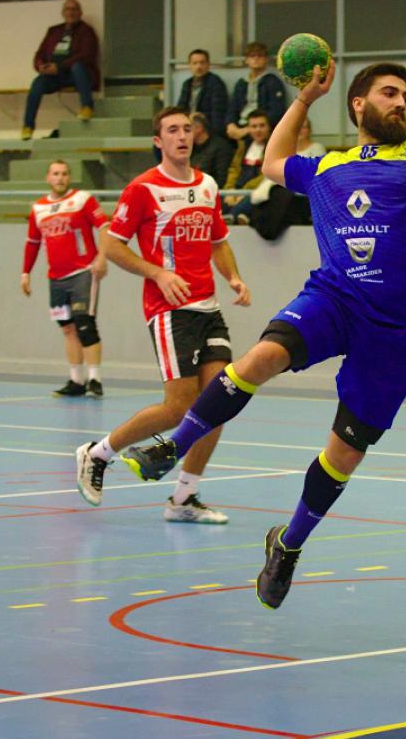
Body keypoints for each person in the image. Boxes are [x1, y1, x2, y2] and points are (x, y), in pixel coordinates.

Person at [119, 60, 406, 611]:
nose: (400, 102)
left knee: (345, 452)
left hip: (393, 327)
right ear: (358, 105)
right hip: (334, 297)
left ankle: (289, 544)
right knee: (261, 357)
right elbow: (273, 161)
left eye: (405, 95)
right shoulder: (327, 166)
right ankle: (170, 448)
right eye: (389, 93)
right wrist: (303, 100)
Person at [73, 106, 252, 524]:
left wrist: (234, 279)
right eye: (172, 130)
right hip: (169, 310)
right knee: (178, 408)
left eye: (187, 128)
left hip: (208, 306)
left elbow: (218, 241)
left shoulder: (207, 185)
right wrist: (157, 272)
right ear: (158, 141)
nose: (181, 135)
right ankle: (97, 453)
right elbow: (113, 245)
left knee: (218, 403)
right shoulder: (142, 189)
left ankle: (183, 499)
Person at [21, 160, 109, 398]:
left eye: (64, 174)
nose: (60, 178)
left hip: (83, 272)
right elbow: (33, 243)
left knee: (84, 323)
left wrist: (102, 257)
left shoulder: (82, 200)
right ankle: (76, 380)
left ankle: (94, 378)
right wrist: (26, 272)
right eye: (56, 174)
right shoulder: (38, 209)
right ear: (48, 178)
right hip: (56, 277)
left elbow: (104, 226)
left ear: (70, 177)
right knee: (68, 328)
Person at [23, 0, 100, 140]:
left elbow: (86, 55)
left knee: (77, 67)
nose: (70, 12)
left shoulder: (87, 31)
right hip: (54, 76)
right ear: (63, 13)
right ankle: (28, 126)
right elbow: (40, 54)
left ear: (80, 13)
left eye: (74, 9)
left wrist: (60, 67)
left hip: (76, 74)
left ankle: (87, 107)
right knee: (37, 83)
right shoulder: (53, 31)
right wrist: (40, 66)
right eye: (67, 9)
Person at [225, 41, 286, 142]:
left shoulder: (272, 82)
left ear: (266, 59)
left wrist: (250, 129)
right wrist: (230, 124)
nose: (256, 59)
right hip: (241, 124)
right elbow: (232, 108)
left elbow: (276, 112)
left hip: (261, 128)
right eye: (252, 56)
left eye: (260, 56)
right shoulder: (241, 83)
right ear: (246, 60)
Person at [223, 109, 273, 225]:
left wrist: (243, 193)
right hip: (236, 191)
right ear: (248, 129)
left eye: (262, 126)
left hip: (256, 191)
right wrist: (230, 190)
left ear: (268, 127)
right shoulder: (243, 145)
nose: (258, 130)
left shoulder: (273, 147)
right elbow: (234, 169)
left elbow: (267, 174)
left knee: (239, 209)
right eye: (254, 126)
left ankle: (232, 218)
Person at [176, 49, 229, 144]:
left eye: (202, 63)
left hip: (205, 127)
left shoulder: (216, 83)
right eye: (195, 63)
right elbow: (180, 108)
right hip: (188, 124)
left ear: (208, 65)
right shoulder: (187, 84)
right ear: (190, 65)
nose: (198, 67)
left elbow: (218, 114)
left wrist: (201, 119)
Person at [189, 112, 233, 188]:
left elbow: (220, 179)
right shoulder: (189, 147)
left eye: (187, 128)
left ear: (199, 128)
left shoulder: (220, 148)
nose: (183, 133)